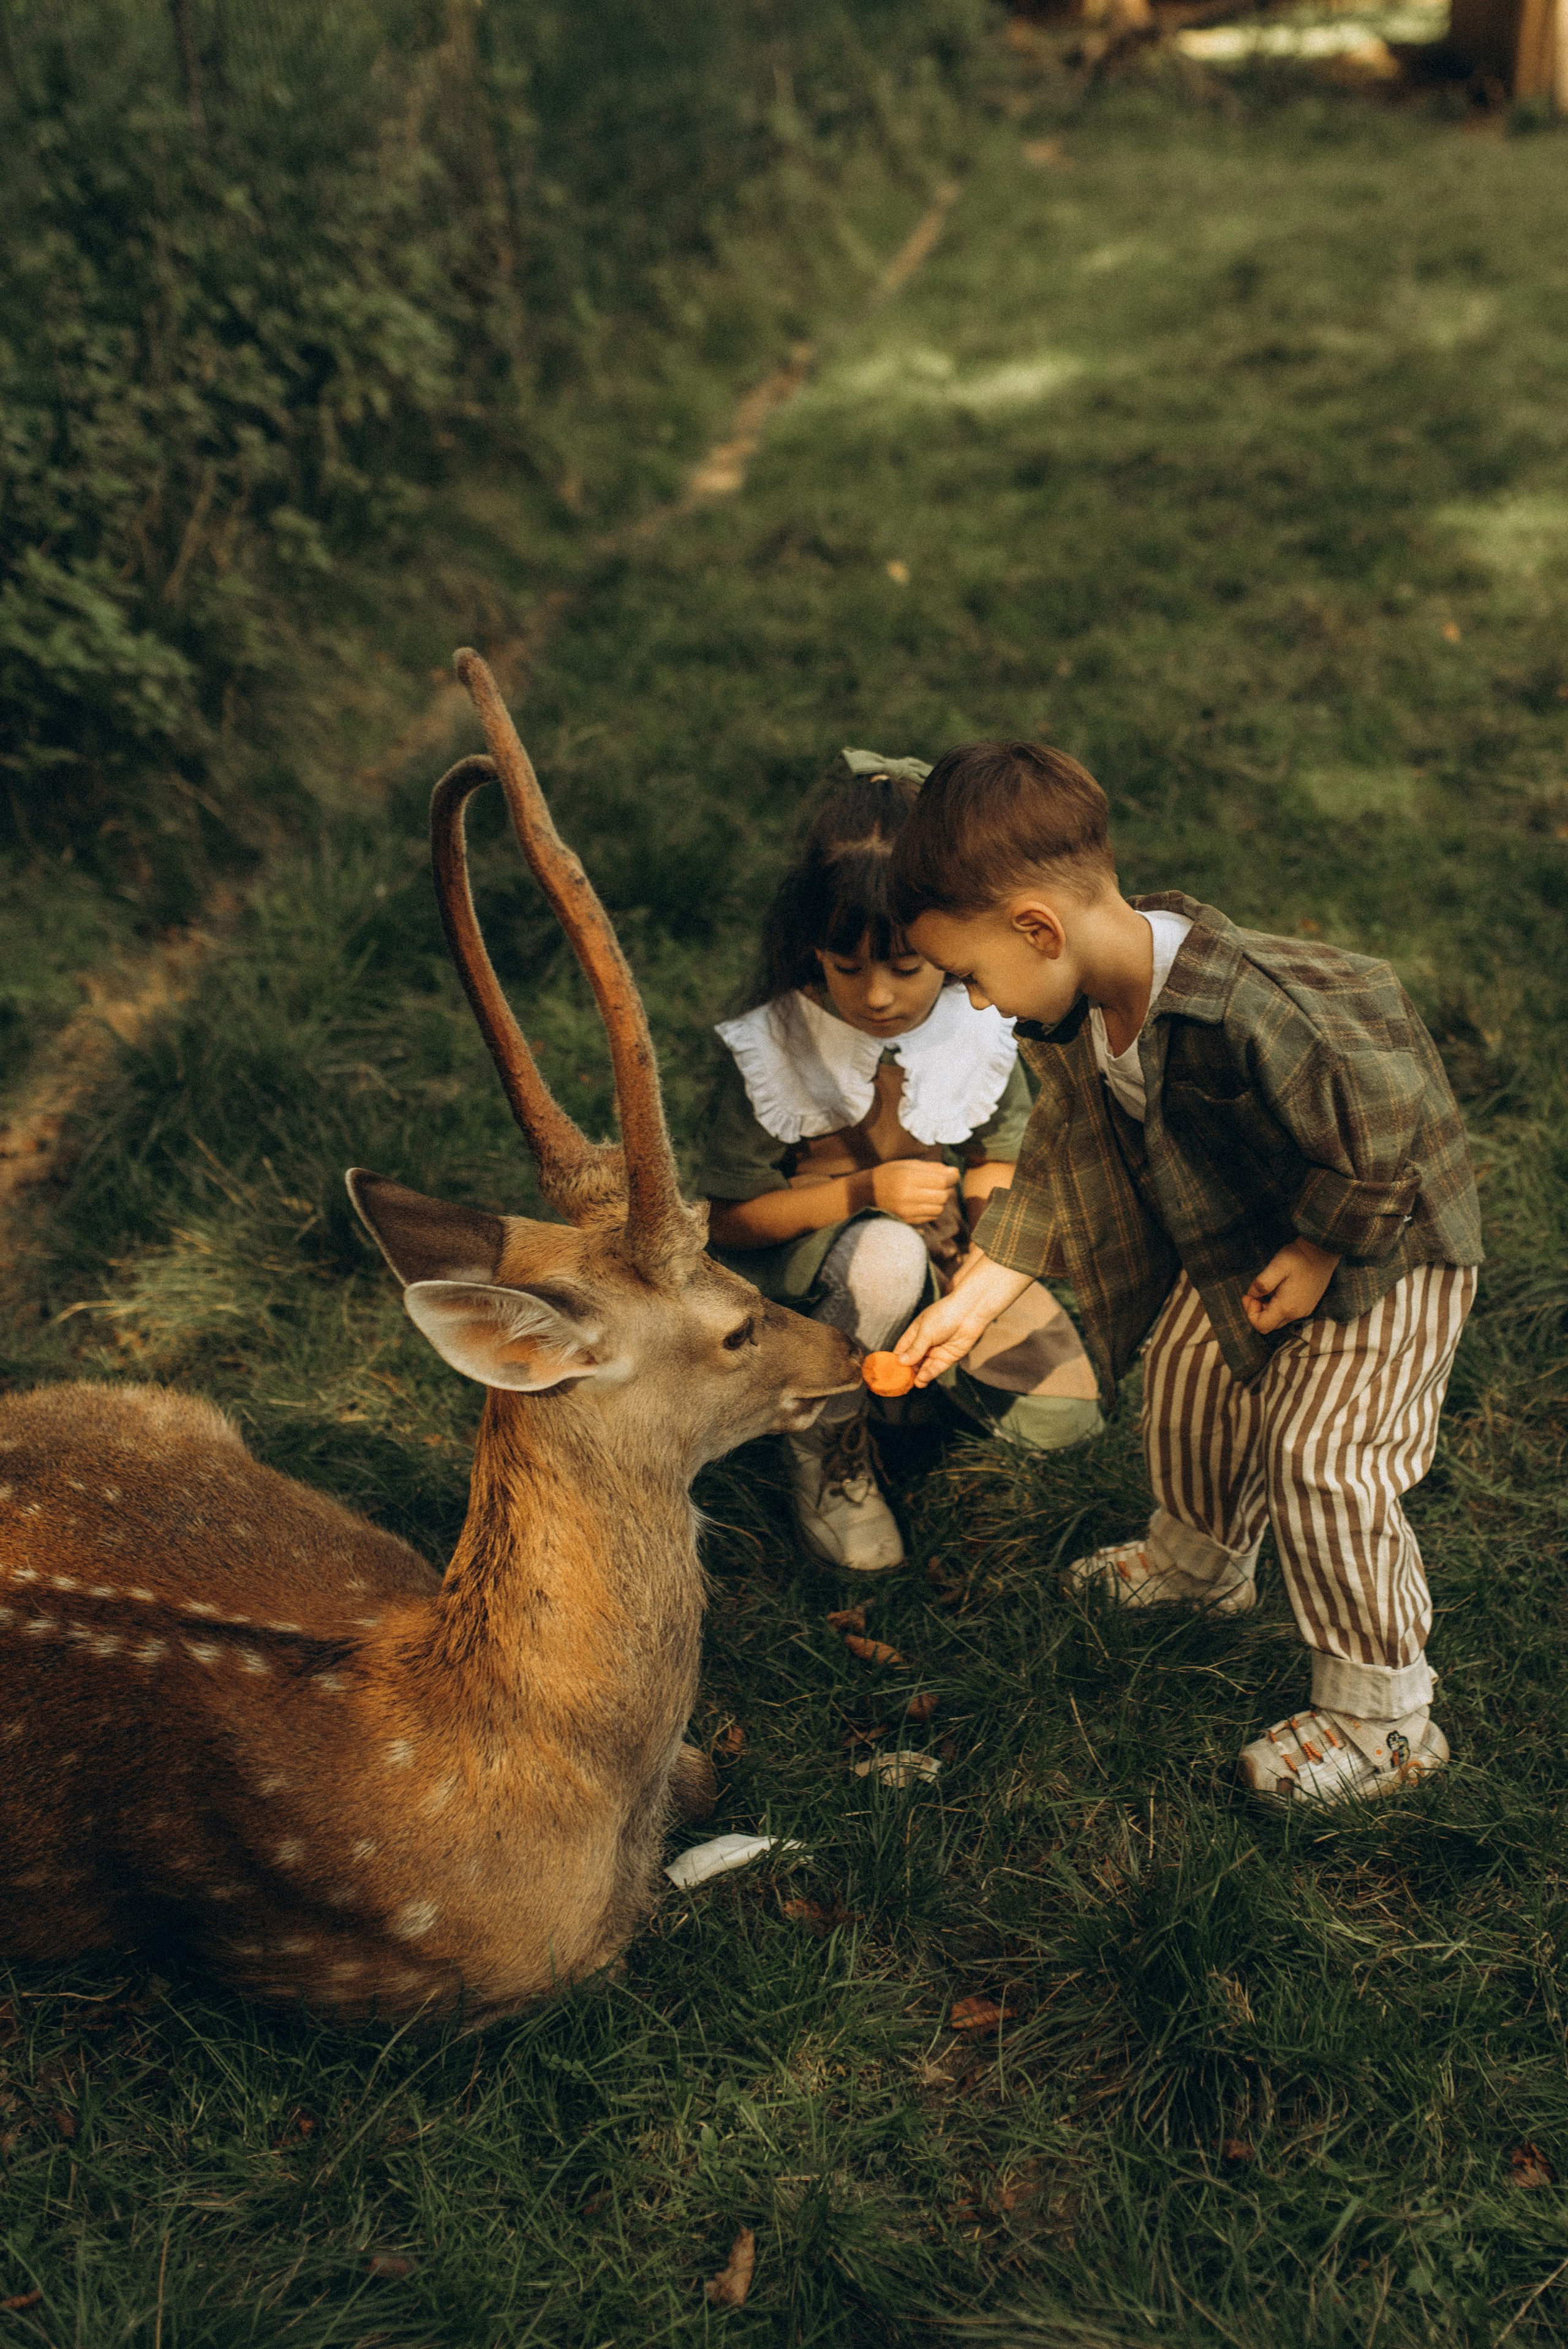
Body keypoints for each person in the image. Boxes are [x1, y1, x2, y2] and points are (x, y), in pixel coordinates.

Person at [888, 740, 1482, 1804]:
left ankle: (1385, 1715)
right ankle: (1201, 1563)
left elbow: (1388, 1124)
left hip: (1385, 1242)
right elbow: (1066, 1156)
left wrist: (1317, 1248)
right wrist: (976, 1296)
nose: (977, 1003)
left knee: (1321, 1456)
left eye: (971, 975)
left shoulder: (1249, 1003)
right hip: (1251, 1241)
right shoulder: (1076, 1010)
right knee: (1192, 1375)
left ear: (1038, 928)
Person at [696, 751, 1102, 1575]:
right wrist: (864, 1191)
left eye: (906, 966)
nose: (878, 996)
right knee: (885, 1257)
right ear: (813, 948)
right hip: (798, 1270)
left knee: (1065, 1419)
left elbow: (1001, 1157)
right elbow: (730, 1216)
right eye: (849, 967)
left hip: (936, 1246)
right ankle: (827, 1438)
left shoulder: (976, 1024)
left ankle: (899, 1395)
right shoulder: (777, 1044)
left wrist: (986, 1255)